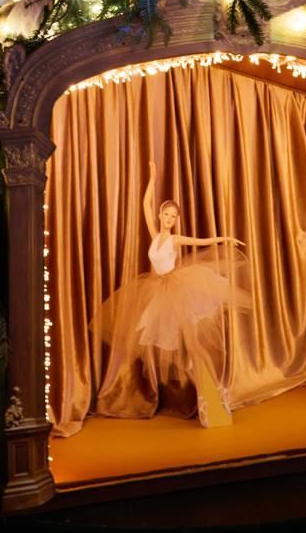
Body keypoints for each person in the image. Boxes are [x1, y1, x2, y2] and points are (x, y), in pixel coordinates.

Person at [93, 161, 250, 427]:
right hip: (159, 289)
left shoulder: (175, 240)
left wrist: (225, 240)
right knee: (180, 345)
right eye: (166, 214)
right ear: (160, 216)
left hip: (178, 289)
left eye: (173, 216)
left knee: (194, 344)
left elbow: (203, 242)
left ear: (176, 220)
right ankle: (207, 393)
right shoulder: (155, 235)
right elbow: (145, 205)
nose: (169, 219)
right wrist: (153, 178)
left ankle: (215, 392)